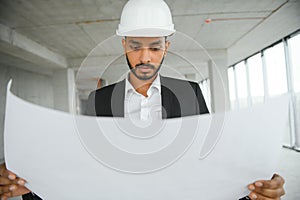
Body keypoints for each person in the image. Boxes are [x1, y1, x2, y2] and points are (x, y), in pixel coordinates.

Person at [0, 0, 286, 199]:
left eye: (155, 47)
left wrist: (253, 190)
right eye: (135, 46)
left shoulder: (191, 93)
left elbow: (209, 160)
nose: (145, 57)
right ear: (124, 44)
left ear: (167, 47)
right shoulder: (98, 101)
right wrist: (32, 183)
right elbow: (83, 167)